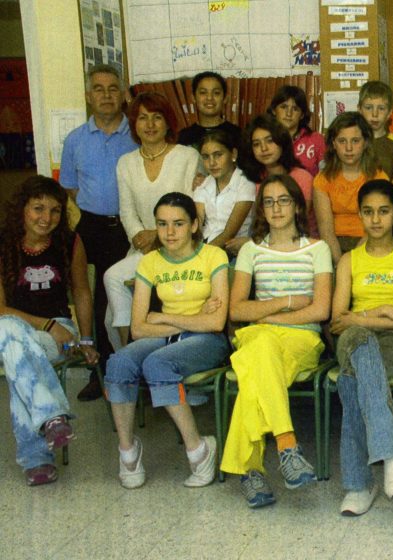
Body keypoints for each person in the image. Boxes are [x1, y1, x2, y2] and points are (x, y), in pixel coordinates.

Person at [220, 174, 332, 508]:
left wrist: (266, 316)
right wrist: (287, 301)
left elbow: (321, 310)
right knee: (263, 346)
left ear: (297, 206)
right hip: (259, 335)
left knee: (253, 380)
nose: (276, 208)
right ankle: (286, 445)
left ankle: (250, 471)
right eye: (268, 202)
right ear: (261, 210)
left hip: (302, 338)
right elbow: (237, 309)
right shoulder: (251, 250)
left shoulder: (318, 249)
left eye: (283, 200)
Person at [105, 192, 229, 490]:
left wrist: (162, 317)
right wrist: (194, 316)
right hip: (167, 336)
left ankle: (199, 450)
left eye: (178, 224)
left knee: (158, 363)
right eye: (162, 224)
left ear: (194, 225)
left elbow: (215, 323)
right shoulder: (149, 262)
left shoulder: (214, 256)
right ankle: (128, 452)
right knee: (119, 362)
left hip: (207, 340)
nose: (170, 232)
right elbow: (138, 328)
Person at [330, 179, 393, 516]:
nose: (375, 219)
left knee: (351, 380)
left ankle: (359, 484)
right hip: (354, 339)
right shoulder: (349, 260)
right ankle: (392, 453)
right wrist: (385, 312)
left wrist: (364, 316)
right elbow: (338, 322)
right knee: (360, 340)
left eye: (383, 211)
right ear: (359, 215)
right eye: (368, 212)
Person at [0, 176, 98, 485]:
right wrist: (46, 324)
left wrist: (85, 339)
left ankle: (37, 460)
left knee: (16, 358)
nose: (47, 218)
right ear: (22, 209)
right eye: (38, 208)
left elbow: (81, 292)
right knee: (9, 333)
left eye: (55, 210)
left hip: (60, 333)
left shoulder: (70, 242)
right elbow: (0, 309)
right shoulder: (2, 243)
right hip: (19, 327)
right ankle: (52, 415)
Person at [60, 63, 136, 400]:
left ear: (123, 95)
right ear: (88, 96)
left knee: (127, 298)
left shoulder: (137, 134)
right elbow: (71, 187)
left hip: (129, 227)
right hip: (91, 227)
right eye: (99, 89)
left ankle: (132, 368)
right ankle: (100, 372)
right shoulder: (75, 140)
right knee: (92, 298)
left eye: (112, 88)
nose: (106, 95)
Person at [104, 92, 201, 351]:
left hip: (180, 249)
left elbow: (191, 208)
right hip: (144, 249)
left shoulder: (187, 157)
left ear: (168, 122)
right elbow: (127, 211)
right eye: (142, 118)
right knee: (113, 277)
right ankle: (127, 351)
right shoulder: (126, 163)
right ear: (134, 124)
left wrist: (159, 236)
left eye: (157, 117)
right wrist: (141, 238)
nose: (150, 124)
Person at [313, 112, 388, 263]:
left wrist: (352, 261)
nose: (349, 148)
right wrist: (340, 263)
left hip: (371, 241)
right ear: (333, 144)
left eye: (355, 141)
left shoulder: (379, 178)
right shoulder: (322, 179)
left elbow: (378, 226)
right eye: (342, 141)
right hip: (334, 246)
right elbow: (326, 231)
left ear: (365, 142)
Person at [238, 114, 318, 237]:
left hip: (298, 239)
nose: (264, 148)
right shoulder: (251, 178)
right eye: (256, 144)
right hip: (260, 237)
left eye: (270, 141)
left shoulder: (302, 177)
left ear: (282, 142)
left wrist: (252, 242)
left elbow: (297, 221)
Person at [193, 129, 255, 256]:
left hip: (233, 251)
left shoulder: (245, 183)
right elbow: (197, 224)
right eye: (206, 157)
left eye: (218, 155)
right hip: (205, 244)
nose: (212, 163)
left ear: (233, 154)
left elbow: (229, 233)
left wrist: (200, 256)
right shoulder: (203, 183)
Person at [268, 85, 325, 177]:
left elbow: (327, 175)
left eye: (295, 109)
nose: (289, 113)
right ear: (274, 110)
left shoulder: (317, 140)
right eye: (284, 107)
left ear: (302, 114)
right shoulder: (265, 139)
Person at [177, 71, 241, 150]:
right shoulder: (183, 137)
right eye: (203, 92)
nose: (209, 98)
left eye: (216, 93)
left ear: (225, 98)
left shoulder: (237, 135)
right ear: (193, 98)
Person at [359, 81, 393, 178]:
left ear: (390, 112)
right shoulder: (351, 143)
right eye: (368, 108)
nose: (375, 114)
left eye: (381, 108)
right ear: (360, 109)